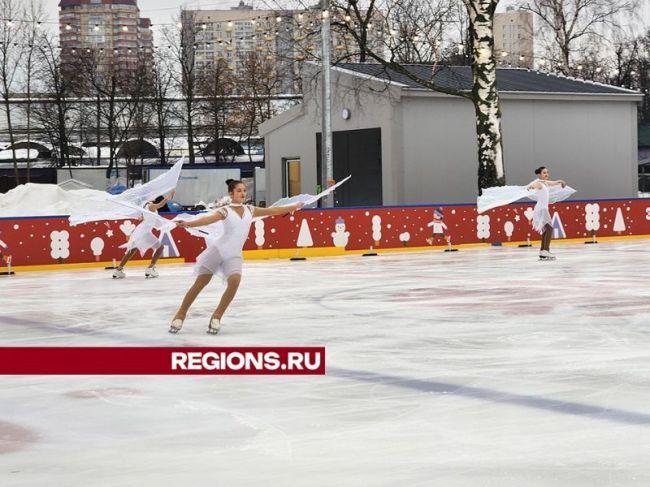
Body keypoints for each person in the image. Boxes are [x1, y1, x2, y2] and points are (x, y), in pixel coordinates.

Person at [170, 179, 303, 335]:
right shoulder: (225, 211)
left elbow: (272, 211)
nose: (242, 193)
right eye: (239, 190)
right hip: (218, 251)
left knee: (234, 282)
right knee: (200, 283)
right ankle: (180, 314)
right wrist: (188, 224)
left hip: (233, 255)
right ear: (231, 193)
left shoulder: (250, 210)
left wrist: (293, 206)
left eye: (244, 190)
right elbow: (207, 220)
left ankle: (217, 317)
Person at [112, 190, 175, 279]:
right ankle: (150, 268)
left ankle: (118, 270)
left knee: (132, 250)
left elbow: (144, 217)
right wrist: (168, 197)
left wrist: (142, 217)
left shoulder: (145, 206)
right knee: (160, 247)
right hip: (144, 231)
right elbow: (160, 205)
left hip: (140, 230)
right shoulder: (151, 206)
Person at [527, 166, 567, 260]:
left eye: (547, 172)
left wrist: (559, 181)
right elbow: (534, 185)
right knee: (549, 228)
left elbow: (552, 183)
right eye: (544, 173)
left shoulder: (544, 183)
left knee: (546, 229)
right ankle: (545, 250)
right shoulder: (539, 183)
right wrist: (531, 187)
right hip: (541, 209)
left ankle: (543, 251)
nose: (547, 174)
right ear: (539, 174)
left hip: (542, 208)